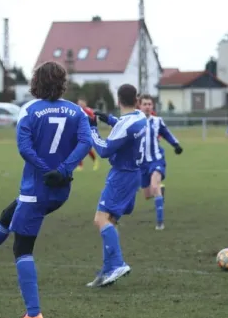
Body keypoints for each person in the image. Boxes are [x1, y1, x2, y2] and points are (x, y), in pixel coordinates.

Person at [0, 61, 93, 318]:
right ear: (62, 83)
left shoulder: (29, 109)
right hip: (60, 190)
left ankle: (33, 313)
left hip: (36, 190)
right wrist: (63, 170)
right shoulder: (76, 111)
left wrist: (46, 169)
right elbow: (86, 142)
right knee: (7, 216)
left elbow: (25, 148)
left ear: (35, 82)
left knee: (22, 248)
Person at [86, 84, 147, 288]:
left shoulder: (126, 124)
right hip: (134, 175)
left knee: (100, 219)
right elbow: (124, 126)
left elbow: (103, 151)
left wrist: (92, 128)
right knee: (110, 220)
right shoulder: (140, 117)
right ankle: (107, 270)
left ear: (118, 100)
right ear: (137, 100)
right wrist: (107, 118)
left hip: (121, 176)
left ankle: (118, 264)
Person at [138, 94, 182, 230]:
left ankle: (160, 222)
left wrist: (176, 145)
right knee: (147, 194)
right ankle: (160, 189)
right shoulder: (134, 121)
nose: (147, 107)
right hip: (141, 163)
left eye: (149, 104)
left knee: (154, 186)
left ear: (153, 106)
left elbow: (167, 133)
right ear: (139, 106)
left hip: (156, 159)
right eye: (144, 104)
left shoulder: (157, 121)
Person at [76, 98, 100, 171]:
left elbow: (94, 120)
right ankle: (80, 165)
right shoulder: (76, 110)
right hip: (78, 132)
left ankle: (95, 161)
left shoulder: (89, 111)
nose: (80, 104)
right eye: (79, 103)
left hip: (87, 132)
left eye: (81, 103)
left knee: (87, 149)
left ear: (85, 103)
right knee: (77, 148)